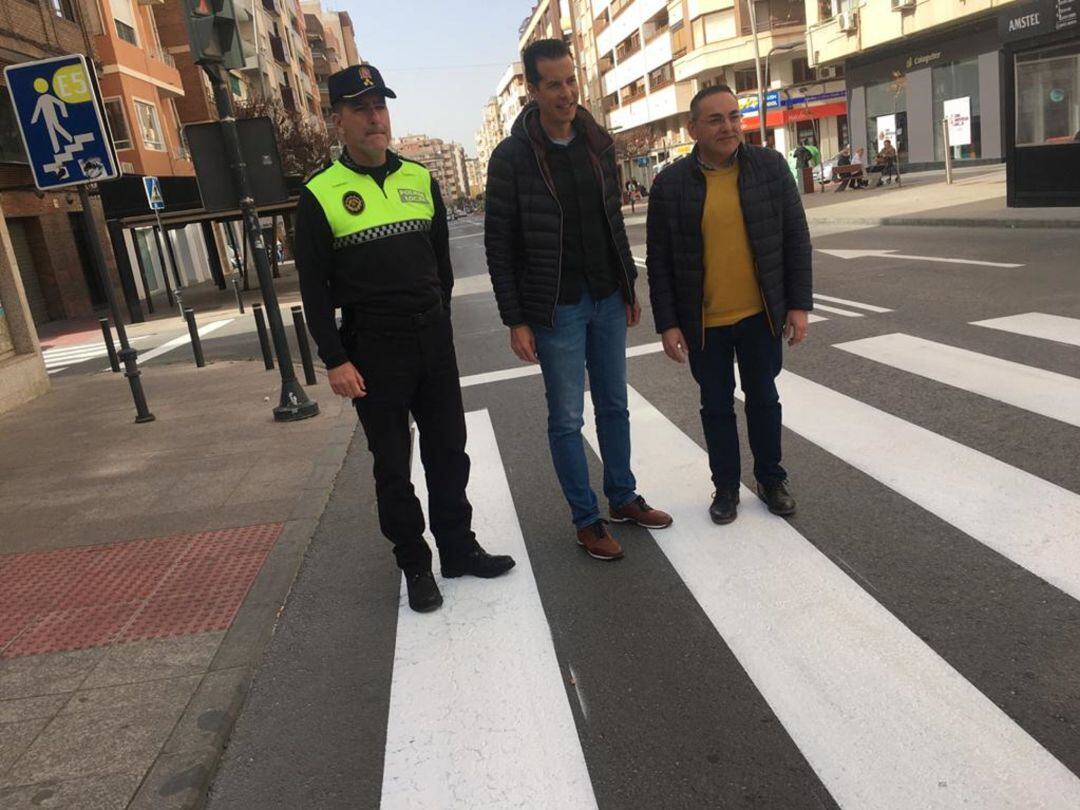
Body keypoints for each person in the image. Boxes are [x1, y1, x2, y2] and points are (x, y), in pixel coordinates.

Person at [294, 64, 515, 613]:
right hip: (373, 349)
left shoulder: (419, 179)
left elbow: (441, 266)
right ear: (338, 121)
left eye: (380, 106)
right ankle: (415, 564)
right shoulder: (320, 194)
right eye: (361, 108)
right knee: (393, 465)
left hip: (431, 340)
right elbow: (314, 290)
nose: (375, 117)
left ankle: (458, 550)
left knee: (449, 453)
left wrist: (437, 319)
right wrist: (335, 359)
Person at [485, 38, 672, 562]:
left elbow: (612, 221)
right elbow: (499, 245)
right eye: (554, 84)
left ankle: (622, 497)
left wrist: (628, 285)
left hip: (607, 295)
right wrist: (516, 320)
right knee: (567, 418)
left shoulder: (596, 141)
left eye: (571, 80)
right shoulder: (512, 157)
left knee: (614, 405)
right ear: (532, 89)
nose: (567, 93)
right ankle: (586, 520)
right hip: (557, 306)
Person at [645, 84, 812, 525]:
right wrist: (668, 323)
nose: (729, 127)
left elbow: (795, 238)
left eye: (734, 116)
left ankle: (772, 479)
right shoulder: (670, 184)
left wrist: (798, 305)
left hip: (760, 314)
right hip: (705, 322)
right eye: (716, 119)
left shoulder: (770, 167)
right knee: (716, 407)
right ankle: (725, 487)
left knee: (764, 398)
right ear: (693, 129)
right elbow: (659, 261)